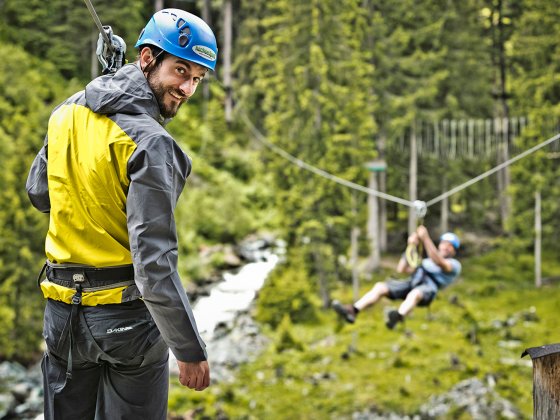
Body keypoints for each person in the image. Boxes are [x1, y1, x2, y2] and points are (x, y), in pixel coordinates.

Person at [25, 9, 217, 420]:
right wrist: (188, 349)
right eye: (180, 70)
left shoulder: (67, 113)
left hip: (62, 317)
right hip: (125, 323)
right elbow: (153, 263)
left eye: (197, 79)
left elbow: (40, 193)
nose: (185, 88)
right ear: (146, 58)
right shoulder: (153, 144)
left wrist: (107, 82)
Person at [332, 226, 461, 330]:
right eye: (444, 243)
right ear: (440, 245)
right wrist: (411, 246)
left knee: (415, 293)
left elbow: (439, 262)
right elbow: (402, 269)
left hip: (428, 287)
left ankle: (399, 315)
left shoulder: (454, 265)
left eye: (450, 246)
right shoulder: (426, 261)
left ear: (453, 251)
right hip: (412, 282)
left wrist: (425, 238)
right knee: (380, 287)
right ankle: (353, 310)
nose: (446, 247)